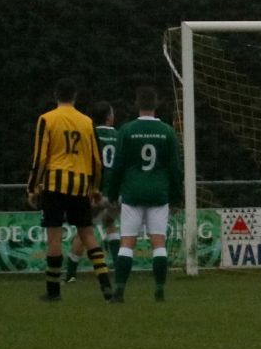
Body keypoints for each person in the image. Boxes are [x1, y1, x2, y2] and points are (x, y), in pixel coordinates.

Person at [26, 78, 113, 302]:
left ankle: (53, 291)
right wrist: (95, 188)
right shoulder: (86, 122)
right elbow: (96, 161)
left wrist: (33, 187)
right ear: (75, 97)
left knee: (54, 236)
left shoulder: (47, 119)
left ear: (56, 95)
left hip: (54, 185)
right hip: (80, 186)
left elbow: (40, 157)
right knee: (87, 234)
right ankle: (106, 285)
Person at [104, 87, 182, 303]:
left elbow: (118, 166)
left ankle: (119, 291)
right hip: (158, 194)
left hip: (132, 193)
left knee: (127, 243)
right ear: (156, 104)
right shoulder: (167, 132)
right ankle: (159, 290)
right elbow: (175, 169)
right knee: (159, 243)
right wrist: (176, 198)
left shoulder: (127, 130)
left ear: (137, 104)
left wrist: (112, 195)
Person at [65, 100, 121, 282]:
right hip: (114, 191)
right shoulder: (119, 136)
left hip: (94, 191)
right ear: (109, 117)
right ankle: (119, 268)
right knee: (110, 222)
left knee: (84, 229)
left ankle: (70, 274)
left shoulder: (88, 134)